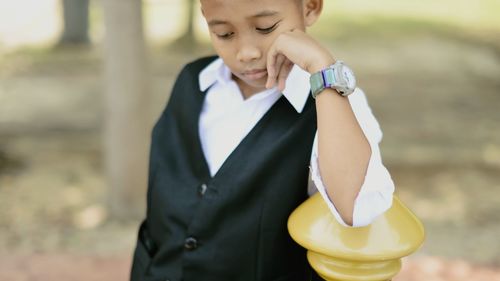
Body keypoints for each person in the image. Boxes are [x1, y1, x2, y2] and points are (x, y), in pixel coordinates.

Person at [130, 0, 395, 280]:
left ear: (311, 7)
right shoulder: (193, 81)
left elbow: (356, 209)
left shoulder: (336, 105)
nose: (247, 53)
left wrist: (322, 69)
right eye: (224, 33)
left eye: (265, 28)